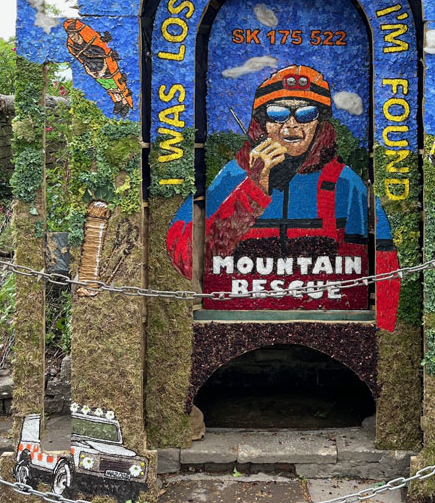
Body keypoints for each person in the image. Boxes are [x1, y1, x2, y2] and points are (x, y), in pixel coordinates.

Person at [166, 65, 400, 329]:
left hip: (330, 327)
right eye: (277, 114)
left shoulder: (345, 184)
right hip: (234, 324)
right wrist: (254, 188)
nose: (291, 124)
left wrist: (382, 332)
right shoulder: (230, 177)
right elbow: (186, 260)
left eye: (305, 113)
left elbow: (384, 266)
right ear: (262, 123)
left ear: (319, 123)